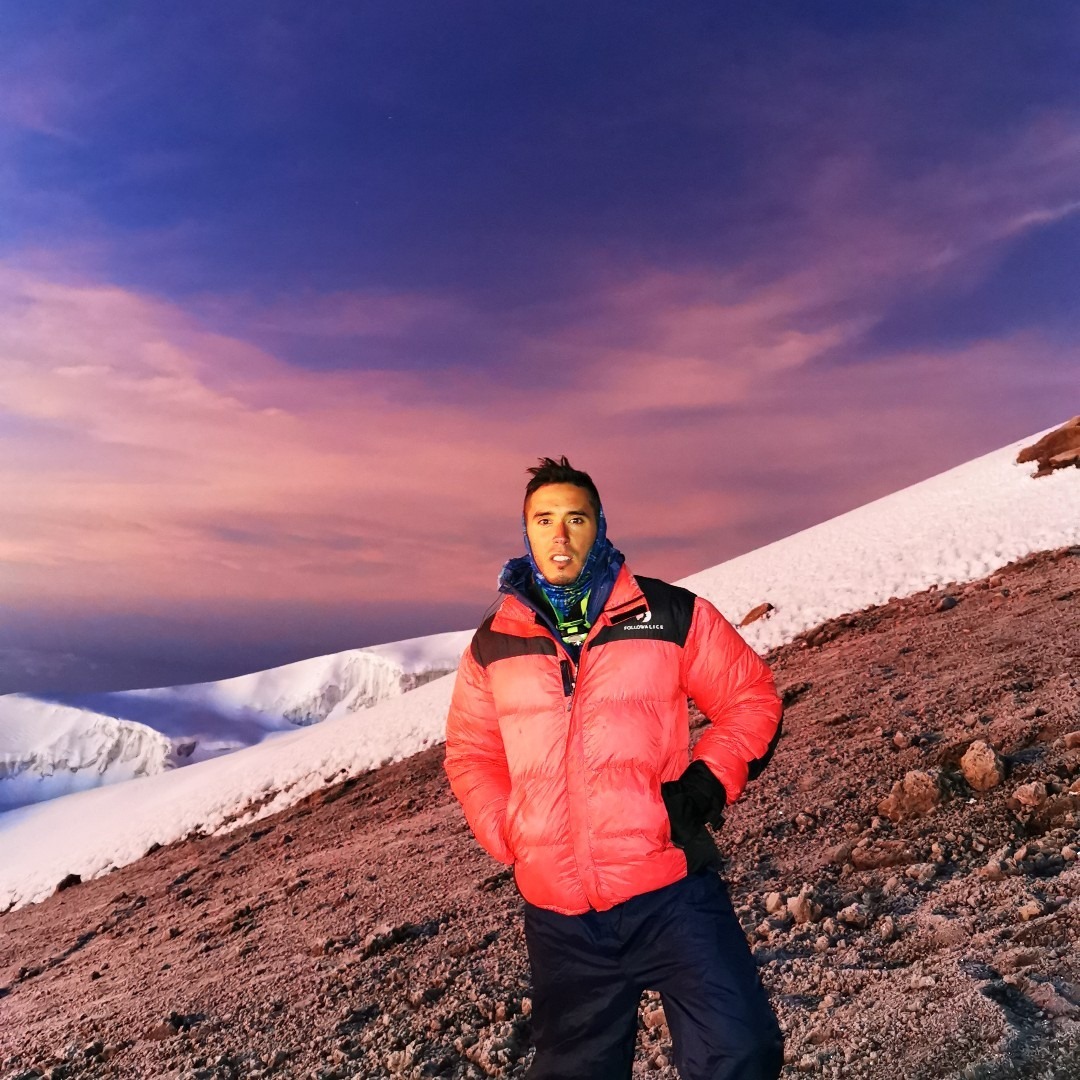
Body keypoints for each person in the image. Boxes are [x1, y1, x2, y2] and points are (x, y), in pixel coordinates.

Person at [444, 456, 784, 1080]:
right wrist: (510, 831)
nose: (560, 535)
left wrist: (706, 784)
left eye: (576, 518)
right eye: (544, 520)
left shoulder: (669, 613)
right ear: (526, 532)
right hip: (560, 922)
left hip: (671, 891)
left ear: (599, 526)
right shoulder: (495, 640)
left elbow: (751, 698)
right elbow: (472, 752)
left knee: (740, 1050)